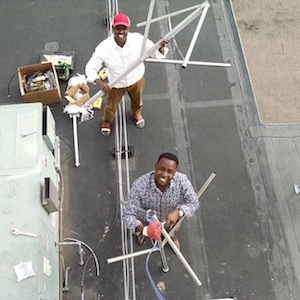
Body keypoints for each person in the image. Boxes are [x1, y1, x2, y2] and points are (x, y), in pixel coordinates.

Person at [85, 13, 169, 136]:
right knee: (111, 106)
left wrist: (161, 47)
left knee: (137, 101)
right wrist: (100, 83)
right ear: (113, 29)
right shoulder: (104, 47)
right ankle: (107, 121)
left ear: (128, 29)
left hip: (136, 79)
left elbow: (155, 53)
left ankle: (136, 114)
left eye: (124, 28)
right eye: (118, 28)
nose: (121, 32)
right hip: (116, 84)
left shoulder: (139, 40)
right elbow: (90, 68)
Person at [122, 153, 199, 249]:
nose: (164, 174)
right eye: (161, 169)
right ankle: (142, 233)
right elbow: (128, 214)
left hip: (170, 222)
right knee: (142, 228)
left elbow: (194, 202)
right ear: (155, 166)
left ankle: (170, 234)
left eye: (169, 171)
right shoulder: (139, 185)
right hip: (146, 220)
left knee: (171, 229)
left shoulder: (182, 180)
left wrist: (179, 212)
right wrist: (143, 229)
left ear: (175, 173)